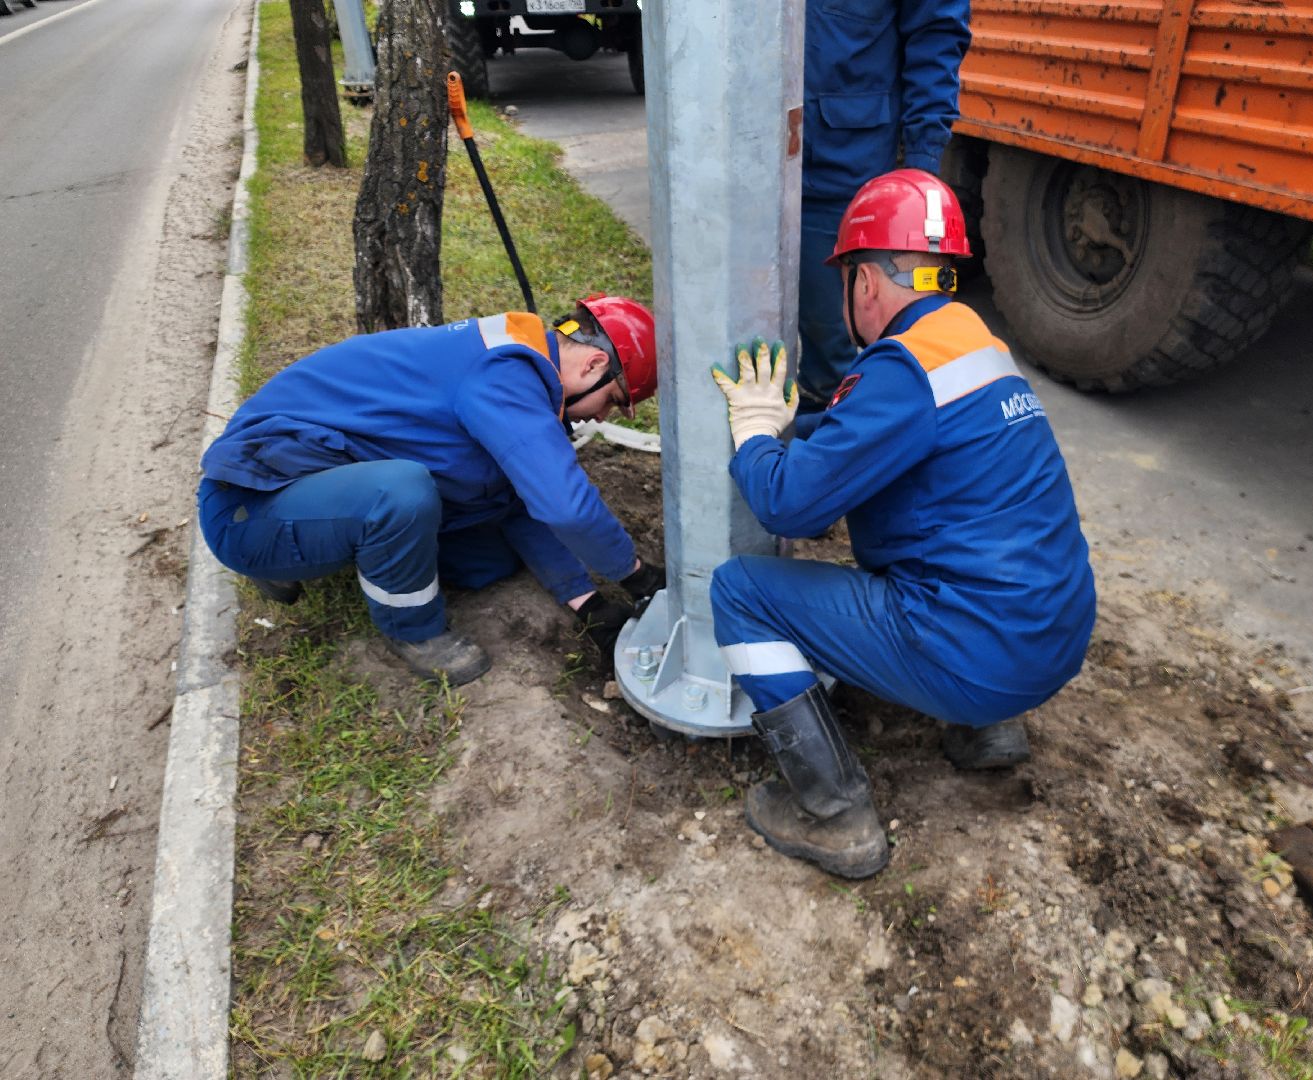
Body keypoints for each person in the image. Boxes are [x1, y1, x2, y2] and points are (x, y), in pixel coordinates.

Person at [710, 170, 1096, 878]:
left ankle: (834, 814)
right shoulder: (972, 341)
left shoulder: (898, 370)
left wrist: (755, 438)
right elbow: (889, 431)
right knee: (965, 540)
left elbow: (789, 505)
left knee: (739, 591)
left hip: (981, 659)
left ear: (864, 281)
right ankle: (987, 731)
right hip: (1056, 640)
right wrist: (806, 426)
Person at [198, 295, 666, 685]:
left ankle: (331, 536)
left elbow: (520, 501)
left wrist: (589, 604)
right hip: (253, 501)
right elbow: (567, 508)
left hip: (319, 477)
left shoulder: (519, 358)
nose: (600, 417)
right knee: (401, 493)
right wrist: (636, 575)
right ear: (594, 364)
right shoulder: (504, 379)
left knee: (489, 562)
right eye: (612, 401)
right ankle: (414, 631)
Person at [798, 0, 970, 416]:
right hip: (741, 165)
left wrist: (920, 169)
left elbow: (935, 33)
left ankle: (827, 430)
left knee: (837, 351)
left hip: (840, 169)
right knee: (741, 341)